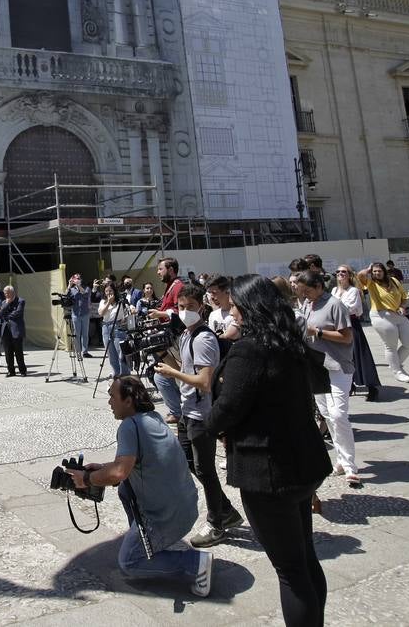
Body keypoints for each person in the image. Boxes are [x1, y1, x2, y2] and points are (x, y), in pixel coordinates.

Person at [198, 275, 332, 626]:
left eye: (236, 304)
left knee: (290, 571)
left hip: (268, 471)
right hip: (303, 463)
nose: (232, 311)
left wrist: (205, 428)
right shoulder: (287, 341)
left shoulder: (251, 349)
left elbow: (229, 407)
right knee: (304, 559)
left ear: (248, 306)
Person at [71, 376, 213, 598]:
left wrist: (86, 480)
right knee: (125, 488)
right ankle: (150, 542)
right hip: (186, 508)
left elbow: (119, 472)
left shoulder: (129, 426)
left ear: (128, 401)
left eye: (112, 396)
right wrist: (101, 468)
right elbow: (128, 466)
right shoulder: (152, 417)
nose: (109, 402)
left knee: (128, 561)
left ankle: (196, 562)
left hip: (170, 517)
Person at [155, 284, 241, 548]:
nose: (185, 312)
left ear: (201, 308)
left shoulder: (203, 337)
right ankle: (225, 509)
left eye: (190, 307)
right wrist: (167, 362)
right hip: (186, 410)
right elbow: (188, 367)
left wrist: (173, 374)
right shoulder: (186, 335)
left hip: (202, 412)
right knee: (188, 461)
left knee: (205, 468)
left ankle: (216, 522)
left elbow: (204, 381)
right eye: (181, 307)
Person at [293, 271, 361, 487]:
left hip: (337, 364)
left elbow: (347, 336)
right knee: (326, 414)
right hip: (315, 365)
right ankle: (341, 459)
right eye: (302, 291)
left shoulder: (334, 305)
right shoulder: (307, 304)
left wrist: (318, 332)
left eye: (308, 290)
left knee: (338, 413)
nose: (304, 294)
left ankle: (350, 464)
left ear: (319, 286)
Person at [356, 262, 409, 382]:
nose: (377, 273)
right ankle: (397, 371)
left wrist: (403, 306)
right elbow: (360, 276)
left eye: (379, 271)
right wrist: (368, 269)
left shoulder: (394, 280)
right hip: (381, 315)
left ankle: (395, 364)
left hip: (398, 315)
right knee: (391, 346)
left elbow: (404, 296)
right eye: (374, 272)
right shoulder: (371, 283)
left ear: (384, 271)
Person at [331, 266, 380, 402]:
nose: (340, 274)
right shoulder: (334, 290)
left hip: (352, 324)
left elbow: (349, 308)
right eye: (338, 272)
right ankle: (350, 384)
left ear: (349, 275)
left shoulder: (354, 291)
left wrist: (333, 307)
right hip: (338, 325)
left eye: (343, 272)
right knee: (344, 356)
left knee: (359, 355)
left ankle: (371, 387)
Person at [151, 257, 187, 423]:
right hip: (169, 337)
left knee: (177, 374)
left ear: (171, 269)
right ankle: (177, 410)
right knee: (162, 375)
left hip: (177, 338)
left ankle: (180, 411)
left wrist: (161, 314)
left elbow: (179, 311)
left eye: (160, 269)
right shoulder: (170, 286)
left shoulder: (178, 286)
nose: (158, 272)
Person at [99, 281, 134, 379]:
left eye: (110, 291)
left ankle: (125, 375)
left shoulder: (121, 301)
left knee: (121, 352)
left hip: (118, 327)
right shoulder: (103, 301)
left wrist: (126, 319)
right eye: (106, 291)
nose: (108, 293)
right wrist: (109, 302)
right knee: (111, 353)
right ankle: (116, 373)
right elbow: (101, 313)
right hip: (106, 327)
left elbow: (129, 310)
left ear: (114, 291)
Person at [0, 285, 28, 377]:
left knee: (18, 351)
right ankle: (11, 371)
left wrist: (7, 316)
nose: (6, 295)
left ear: (12, 293)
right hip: (6, 329)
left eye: (7, 293)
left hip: (16, 329)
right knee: (8, 352)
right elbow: (0, 314)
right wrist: (7, 304)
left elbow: (18, 313)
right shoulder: (4, 302)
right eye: (5, 293)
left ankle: (22, 370)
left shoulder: (20, 301)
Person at [68, 273, 93, 361]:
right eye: (76, 279)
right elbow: (65, 297)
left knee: (85, 334)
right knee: (76, 334)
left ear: (81, 280)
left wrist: (79, 286)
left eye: (79, 278)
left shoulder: (87, 288)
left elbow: (85, 294)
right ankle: (77, 351)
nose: (77, 280)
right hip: (75, 314)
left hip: (85, 313)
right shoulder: (71, 290)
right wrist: (69, 285)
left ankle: (85, 351)